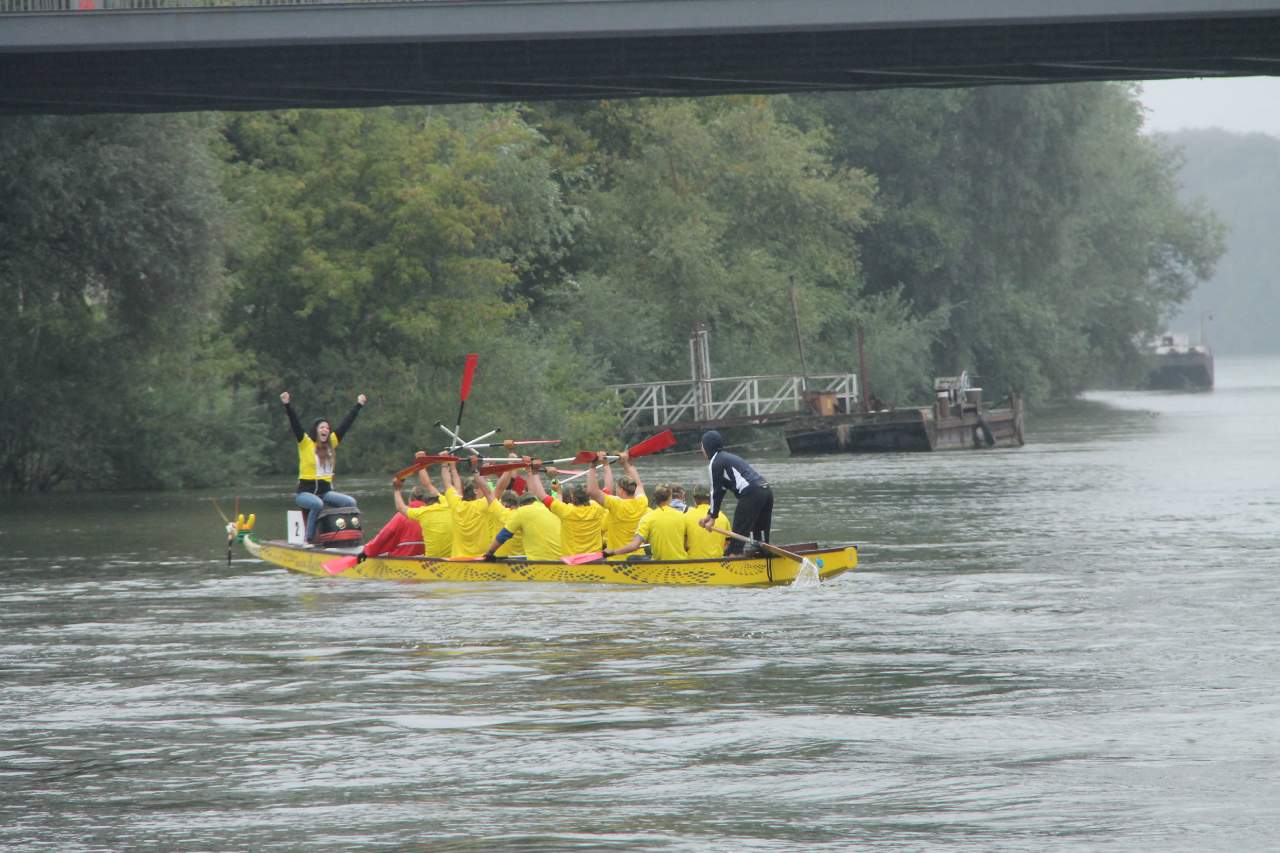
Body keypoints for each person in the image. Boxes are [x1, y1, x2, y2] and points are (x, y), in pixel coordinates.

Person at [280, 390, 366, 543]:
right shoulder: (305, 443)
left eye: (327, 428)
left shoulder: (332, 443)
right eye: (322, 428)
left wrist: (358, 405)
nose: (325, 430)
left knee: (350, 502)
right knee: (317, 504)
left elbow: (346, 424)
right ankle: (309, 538)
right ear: (316, 430)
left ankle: (348, 536)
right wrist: (287, 405)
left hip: (325, 492)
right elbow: (295, 424)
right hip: (304, 493)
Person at [697, 430, 772, 555]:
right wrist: (710, 516)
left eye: (702, 446)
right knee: (759, 534)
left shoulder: (715, 462)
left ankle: (733, 557)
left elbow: (717, 491)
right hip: (766, 490)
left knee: (737, 534)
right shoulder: (728, 457)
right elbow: (722, 489)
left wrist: (713, 517)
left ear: (708, 446)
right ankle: (763, 552)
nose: (701, 449)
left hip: (751, 493)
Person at [482, 466, 562, 561]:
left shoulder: (520, 512)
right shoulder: (548, 508)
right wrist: (553, 478)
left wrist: (489, 553)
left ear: (521, 504)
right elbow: (557, 494)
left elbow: (503, 535)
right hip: (561, 559)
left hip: (538, 562)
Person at [531, 466, 607, 558]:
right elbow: (607, 489)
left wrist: (536, 473)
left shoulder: (566, 511)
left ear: (572, 497)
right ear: (588, 496)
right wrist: (605, 465)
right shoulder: (597, 508)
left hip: (572, 560)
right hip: (595, 558)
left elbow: (541, 495)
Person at [605, 484, 688, 561]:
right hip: (681, 561)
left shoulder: (648, 518)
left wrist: (613, 552)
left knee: (631, 558)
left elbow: (634, 546)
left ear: (655, 499)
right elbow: (687, 544)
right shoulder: (683, 516)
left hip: (659, 564)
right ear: (670, 498)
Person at [588, 450, 649, 554]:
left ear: (621, 490)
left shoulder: (616, 503)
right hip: (639, 556)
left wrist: (593, 465)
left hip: (617, 559)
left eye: (616, 488)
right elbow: (638, 484)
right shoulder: (642, 501)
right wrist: (625, 463)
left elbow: (592, 491)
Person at [440, 459, 495, 557]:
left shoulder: (456, 503)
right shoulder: (483, 504)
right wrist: (478, 471)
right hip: (481, 559)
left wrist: (445, 463)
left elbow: (447, 483)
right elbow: (491, 491)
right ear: (475, 491)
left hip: (458, 560)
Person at [364, 481, 427, 559]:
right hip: (428, 560)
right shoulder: (432, 515)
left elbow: (384, 536)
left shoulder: (401, 516)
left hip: (403, 560)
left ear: (410, 499)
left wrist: (368, 550)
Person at [404, 464, 454, 558]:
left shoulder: (425, 511)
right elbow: (429, 485)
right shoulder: (449, 502)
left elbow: (428, 485)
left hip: (435, 559)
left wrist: (421, 463)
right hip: (456, 556)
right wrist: (446, 464)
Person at [685, 485, 731, 559]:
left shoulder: (686, 516)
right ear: (710, 498)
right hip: (717, 562)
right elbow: (728, 543)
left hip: (693, 562)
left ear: (695, 499)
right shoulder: (723, 517)